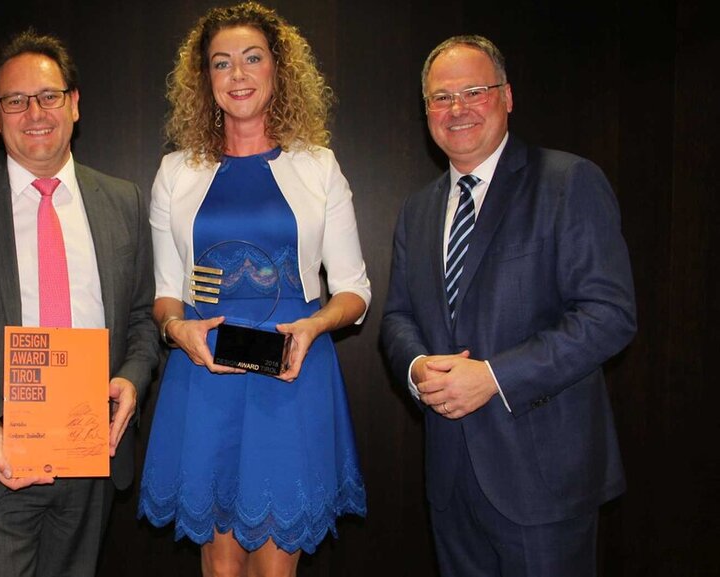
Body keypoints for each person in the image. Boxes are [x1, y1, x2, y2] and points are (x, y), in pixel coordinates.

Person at [380, 35, 637, 577]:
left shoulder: (568, 182)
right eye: (441, 97)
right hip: (450, 479)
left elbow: (609, 315)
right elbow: (398, 316)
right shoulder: (418, 209)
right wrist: (418, 368)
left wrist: (494, 377)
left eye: (474, 91)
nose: (457, 108)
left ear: (507, 96)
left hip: (544, 479)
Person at [0, 29, 160, 577]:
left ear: (74, 103)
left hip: (93, 458)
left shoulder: (122, 201)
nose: (35, 113)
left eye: (48, 96)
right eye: (15, 100)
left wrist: (132, 380)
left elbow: (143, 319)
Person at [137, 3, 371, 575]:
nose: (237, 74)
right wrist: (176, 328)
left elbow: (354, 291)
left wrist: (315, 324)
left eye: (252, 58)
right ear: (205, 79)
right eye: (221, 63)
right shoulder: (175, 172)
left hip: (293, 373)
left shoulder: (319, 167)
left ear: (277, 69)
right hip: (204, 374)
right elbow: (165, 293)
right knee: (219, 568)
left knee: (275, 568)